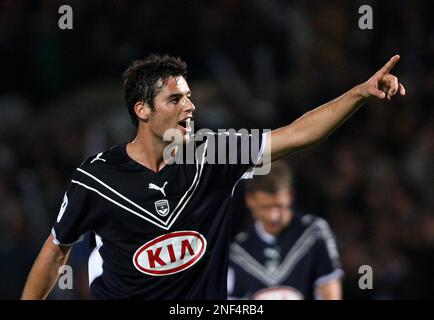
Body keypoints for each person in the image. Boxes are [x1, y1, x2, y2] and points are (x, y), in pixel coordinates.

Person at [21, 54, 405, 299]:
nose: (190, 106)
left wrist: (359, 93)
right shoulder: (95, 178)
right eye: (175, 99)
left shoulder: (215, 154)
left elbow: (297, 134)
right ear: (142, 110)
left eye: (189, 96)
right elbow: (56, 251)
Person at [228, 160, 343, 300]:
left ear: (290, 196)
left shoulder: (314, 233)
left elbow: (330, 292)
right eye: (265, 207)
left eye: (279, 206)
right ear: (250, 200)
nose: (273, 217)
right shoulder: (238, 252)